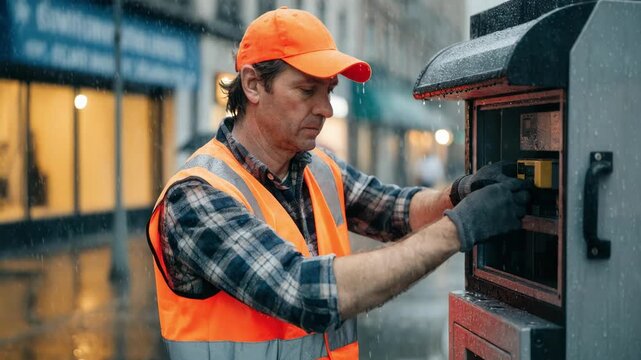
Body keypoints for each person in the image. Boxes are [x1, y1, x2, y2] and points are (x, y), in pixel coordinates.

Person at [146, 7, 530, 360]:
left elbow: (395, 211)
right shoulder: (197, 197)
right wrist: (459, 228)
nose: (326, 109)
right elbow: (304, 292)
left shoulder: (318, 167)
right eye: (306, 90)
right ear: (253, 85)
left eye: (328, 90)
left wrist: (459, 193)